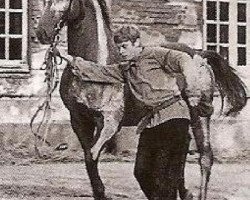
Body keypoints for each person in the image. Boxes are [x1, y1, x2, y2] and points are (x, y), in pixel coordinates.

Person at [113, 26, 203, 200]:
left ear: (137, 42)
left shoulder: (155, 54)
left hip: (174, 119)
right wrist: (71, 60)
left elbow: (184, 59)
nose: (121, 52)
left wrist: (192, 90)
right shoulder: (126, 68)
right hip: (152, 122)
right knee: (141, 172)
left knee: (164, 178)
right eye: (118, 48)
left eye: (124, 46)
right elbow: (101, 72)